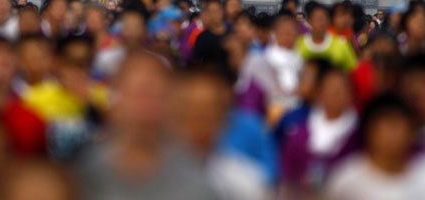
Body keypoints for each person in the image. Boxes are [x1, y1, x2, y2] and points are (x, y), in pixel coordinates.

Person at [75, 51, 217, 200]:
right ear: (116, 99)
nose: (146, 107)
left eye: (156, 95)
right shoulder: (82, 174)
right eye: (138, 94)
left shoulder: (198, 178)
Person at [173, 70, 269, 200]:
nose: (196, 122)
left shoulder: (246, 183)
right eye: (189, 112)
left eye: (205, 114)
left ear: (222, 119)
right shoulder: (149, 178)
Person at [280, 67, 358, 196]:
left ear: (350, 95)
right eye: (331, 89)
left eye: (340, 89)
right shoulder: (299, 136)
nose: (335, 93)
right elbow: (288, 177)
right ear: (319, 94)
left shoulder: (359, 136)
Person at [325, 95, 418, 200]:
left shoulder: (423, 176)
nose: (394, 135)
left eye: (399, 126)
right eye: (388, 127)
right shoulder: (346, 182)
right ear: (369, 131)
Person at [237, 12, 303, 124]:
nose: (289, 36)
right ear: (275, 33)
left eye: (292, 33)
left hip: (294, 116)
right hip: (265, 114)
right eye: (285, 33)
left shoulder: (301, 61)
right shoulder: (259, 60)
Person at [296, 1, 357, 71]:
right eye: (317, 19)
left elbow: (353, 70)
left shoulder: (342, 44)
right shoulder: (298, 44)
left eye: (323, 19)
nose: (320, 23)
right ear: (309, 21)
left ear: (328, 21)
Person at [193, 0, 230, 75]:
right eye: (211, 11)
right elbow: (198, 61)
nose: (215, 14)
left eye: (217, 10)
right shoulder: (202, 37)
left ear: (223, 12)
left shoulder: (232, 34)